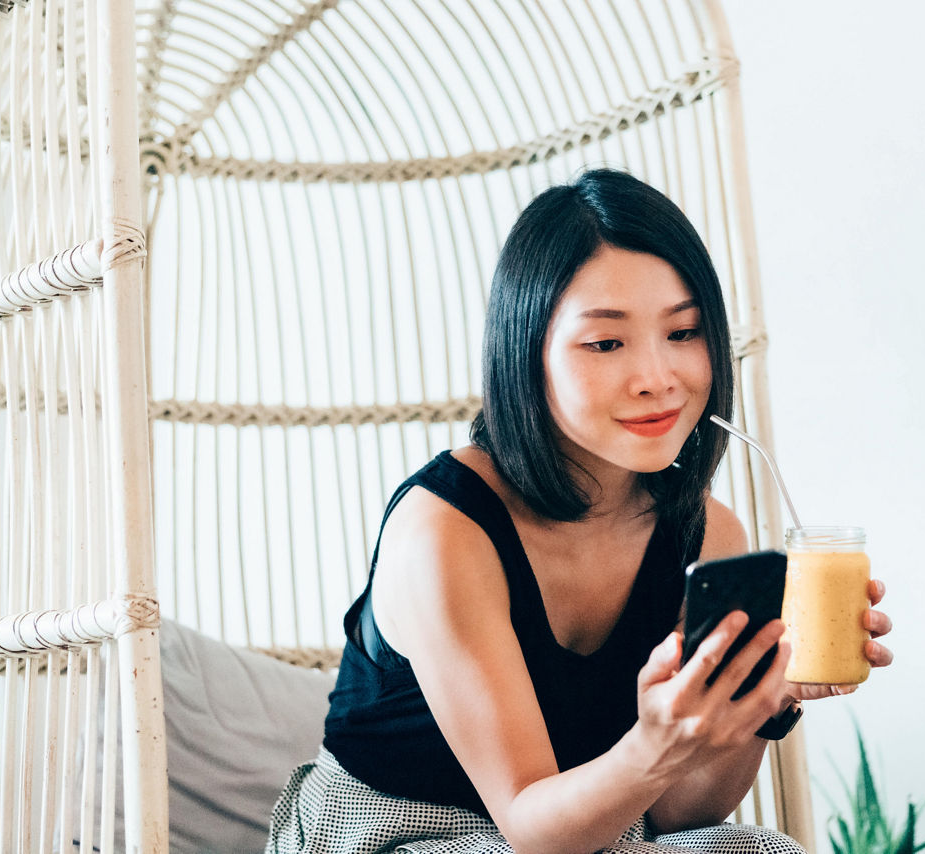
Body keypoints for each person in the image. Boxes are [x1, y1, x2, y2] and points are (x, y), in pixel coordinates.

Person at [265, 168, 893, 854]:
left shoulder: (709, 532)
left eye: (683, 333)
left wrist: (766, 700)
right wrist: (653, 744)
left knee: (765, 850)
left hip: (594, 826)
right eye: (606, 343)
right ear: (526, 354)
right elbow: (529, 827)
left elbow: (684, 816)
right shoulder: (444, 530)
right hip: (399, 833)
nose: (658, 376)